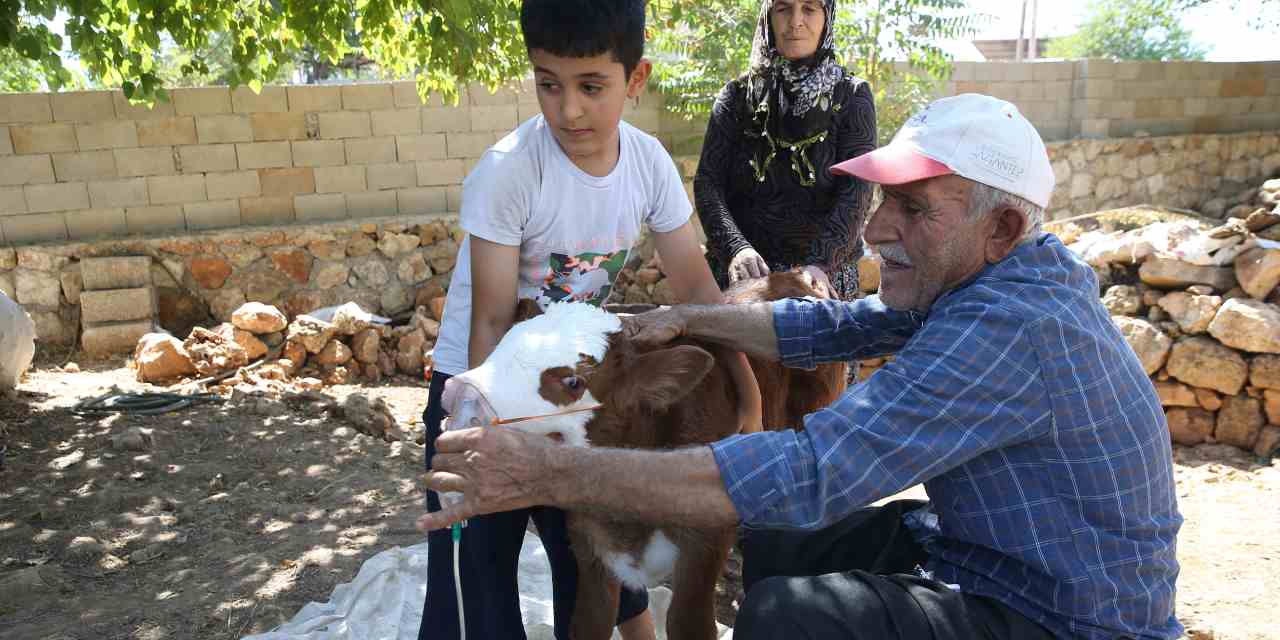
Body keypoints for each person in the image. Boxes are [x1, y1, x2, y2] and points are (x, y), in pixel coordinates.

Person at [418, 94, 1184, 640]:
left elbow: (815, 467)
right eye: (883, 201)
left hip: (1060, 617)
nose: (875, 230)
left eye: (913, 210)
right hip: (1001, 555)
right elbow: (838, 325)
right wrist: (689, 316)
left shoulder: (1008, 328)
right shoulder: (997, 273)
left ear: (1003, 224)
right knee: (776, 539)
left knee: (790, 617)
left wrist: (547, 477)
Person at [419, 1, 762, 639]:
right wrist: (481, 436)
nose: (567, 109)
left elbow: (695, 286)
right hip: (484, 387)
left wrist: (746, 385)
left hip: (575, 397)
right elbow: (490, 322)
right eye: (548, 83)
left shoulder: (648, 163)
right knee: (476, 586)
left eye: (590, 86)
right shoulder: (508, 172)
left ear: (636, 79)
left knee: (594, 559)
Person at [695, 0, 876, 299]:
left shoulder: (852, 96)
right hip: (745, 277)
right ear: (768, 16)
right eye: (783, 8)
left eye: (809, 8)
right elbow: (708, 182)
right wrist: (736, 249)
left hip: (821, 279)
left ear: (827, 16)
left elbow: (857, 190)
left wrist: (819, 265)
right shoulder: (737, 97)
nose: (795, 21)